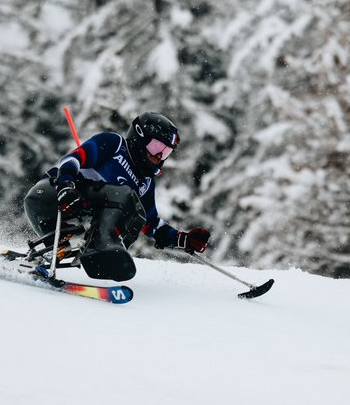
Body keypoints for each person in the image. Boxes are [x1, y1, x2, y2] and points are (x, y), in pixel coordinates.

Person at [22, 112, 211, 282]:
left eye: (166, 152)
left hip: (74, 224)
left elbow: (151, 224)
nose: (159, 155)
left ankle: (50, 258)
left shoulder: (145, 183)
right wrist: (66, 186)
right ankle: (102, 246)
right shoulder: (114, 145)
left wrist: (183, 239)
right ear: (139, 137)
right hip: (52, 198)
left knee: (137, 214)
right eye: (156, 147)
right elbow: (72, 160)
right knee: (125, 195)